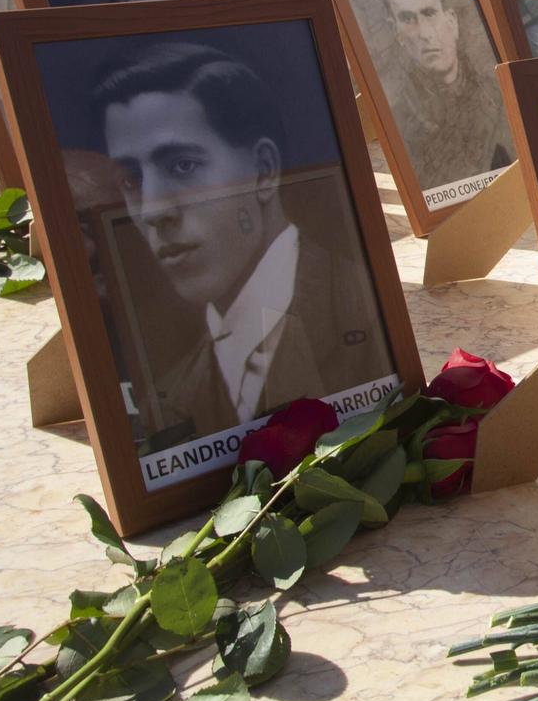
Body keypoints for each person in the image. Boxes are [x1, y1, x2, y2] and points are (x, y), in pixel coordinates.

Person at [94, 42, 395, 443]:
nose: (152, 210)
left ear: (264, 171)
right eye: (132, 180)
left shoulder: (370, 312)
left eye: (183, 165)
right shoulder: (173, 394)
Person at [374, 0, 514, 192]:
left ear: (451, 22)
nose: (425, 33)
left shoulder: (500, 95)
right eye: (408, 19)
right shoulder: (401, 121)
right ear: (395, 32)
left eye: (429, 13)